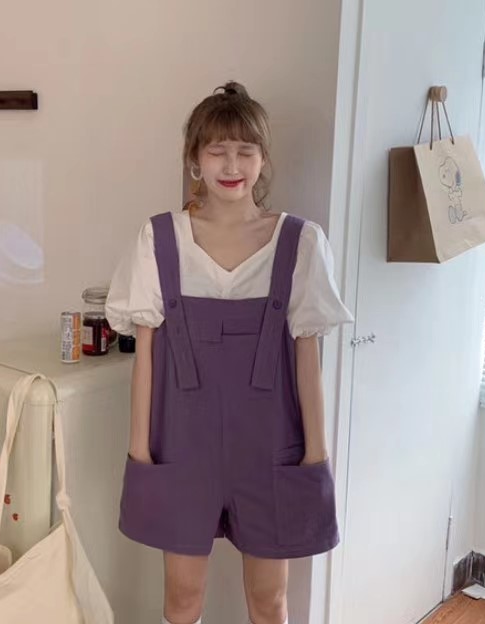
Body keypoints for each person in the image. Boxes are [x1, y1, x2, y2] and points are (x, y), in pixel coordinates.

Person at [105, 81, 354, 624]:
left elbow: (307, 360)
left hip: (271, 449)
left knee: (270, 600)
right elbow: (145, 354)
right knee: (182, 598)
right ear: (195, 159)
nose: (232, 164)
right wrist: (140, 451)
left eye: (246, 150)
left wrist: (315, 455)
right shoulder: (158, 240)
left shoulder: (300, 243)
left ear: (263, 160)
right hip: (181, 446)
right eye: (217, 150)